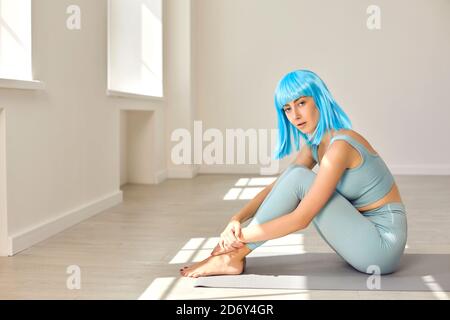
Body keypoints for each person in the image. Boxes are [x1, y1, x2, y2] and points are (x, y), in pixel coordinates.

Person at [180, 69, 407, 278]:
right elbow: (279, 187)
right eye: (287, 108)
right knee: (294, 174)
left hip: (381, 246)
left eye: (301, 103)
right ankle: (230, 257)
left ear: (319, 99)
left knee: (299, 177)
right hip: (361, 234)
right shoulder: (315, 145)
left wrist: (236, 239)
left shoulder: (341, 146)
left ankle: (230, 257)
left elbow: (300, 219)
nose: (295, 115)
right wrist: (236, 219)